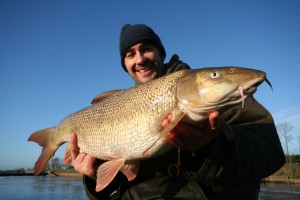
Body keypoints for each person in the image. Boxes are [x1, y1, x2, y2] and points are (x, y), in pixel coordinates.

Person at [69, 24, 285, 200]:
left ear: (160, 54)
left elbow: (271, 154)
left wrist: (213, 147)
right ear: (125, 65)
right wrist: (93, 176)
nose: (140, 59)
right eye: (130, 54)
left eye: (146, 48)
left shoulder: (217, 96)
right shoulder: (122, 104)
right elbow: (116, 193)